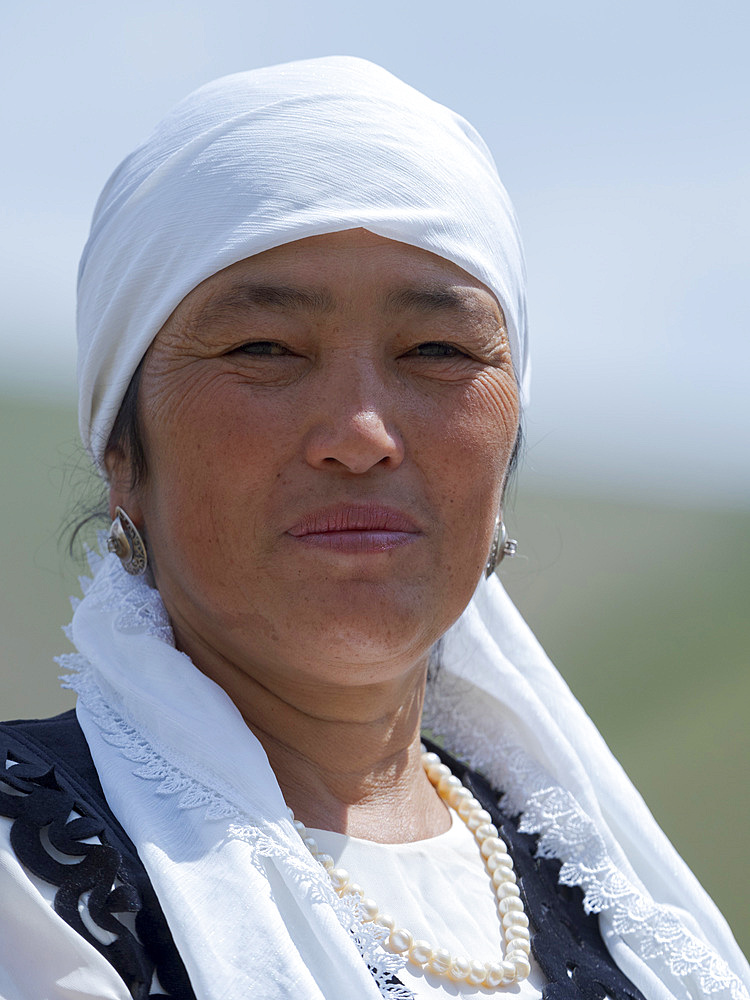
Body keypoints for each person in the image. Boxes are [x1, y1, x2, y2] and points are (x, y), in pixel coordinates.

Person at [0, 56, 747, 1000]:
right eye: (263, 349)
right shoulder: (32, 874)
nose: (360, 435)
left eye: (437, 350)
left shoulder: (612, 908)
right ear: (123, 452)